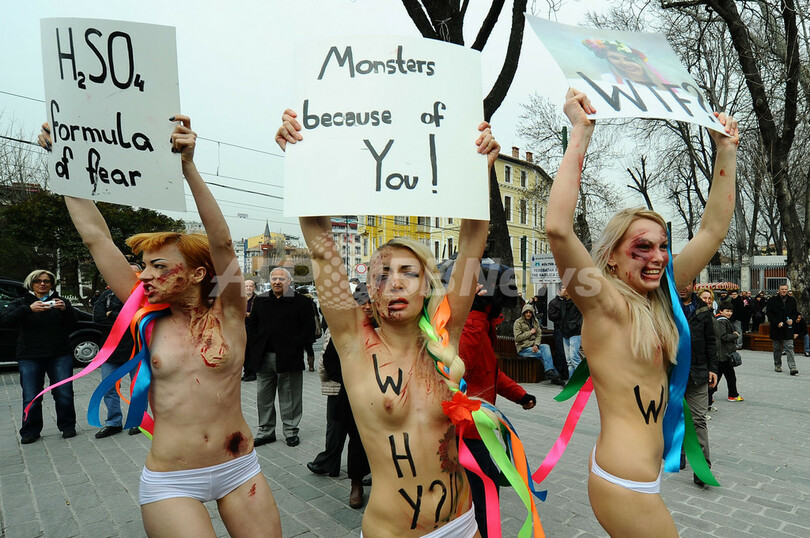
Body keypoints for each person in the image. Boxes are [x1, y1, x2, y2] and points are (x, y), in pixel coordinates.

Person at [37, 117, 281, 536]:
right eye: (143, 266)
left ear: (199, 274)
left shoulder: (230, 313)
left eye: (158, 266)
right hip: (172, 480)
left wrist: (188, 167)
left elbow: (222, 244)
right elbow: (97, 238)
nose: (144, 275)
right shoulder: (146, 316)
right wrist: (66, 165)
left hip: (239, 468)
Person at [277, 107, 499, 536]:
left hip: (463, 523)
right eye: (382, 275)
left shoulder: (445, 334)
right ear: (369, 290)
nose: (394, 283)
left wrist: (479, 173)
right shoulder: (353, 343)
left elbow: (473, 240)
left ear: (427, 285)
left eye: (408, 273)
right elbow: (322, 246)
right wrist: (302, 161)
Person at [546, 88, 738, 536]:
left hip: (644, 478)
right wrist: (580, 132)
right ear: (612, 258)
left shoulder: (661, 294)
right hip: (623, 484)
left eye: (662, 246)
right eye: (642, 247)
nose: (657, 257)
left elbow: (712, 229)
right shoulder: (604, 304)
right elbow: (557, 229)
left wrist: (726, 151)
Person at [455, 261, 536, 537]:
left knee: (482, 485)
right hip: (464, 429)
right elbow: (459, 367)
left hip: (479, 426)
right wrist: (477, 314)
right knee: (485, 487)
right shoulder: (470, 325)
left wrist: (520, 395)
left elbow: (490, 372)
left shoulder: (483, 324)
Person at [307, 282, 371, 510]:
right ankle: (354, 482)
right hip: (349, 393)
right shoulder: (344, 329)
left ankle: (366, 479)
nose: (367, 307)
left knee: (369, 440)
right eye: (363, 303)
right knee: (347, 434)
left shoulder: (386, 329)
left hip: (380, 395)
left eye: (371, 303)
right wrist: (353, 381)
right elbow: (330, 362)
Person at [0, 269, 77, 444]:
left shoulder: (60, 301)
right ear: (31, 283)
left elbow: (74, 324)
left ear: (51, 284)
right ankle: (30, 431)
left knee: (64, 392)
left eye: (46, 281)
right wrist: (28, 309)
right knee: (31, 395)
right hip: (30, 355)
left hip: (59, 354)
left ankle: (67, 426)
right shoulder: (22, 302)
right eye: (38, 281)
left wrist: (65, 310)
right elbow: (4, 319)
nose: (42, 284)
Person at [246, 267, 315, 447]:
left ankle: (290, 431)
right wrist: (255, 344)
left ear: (289, 281)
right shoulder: (261, 300)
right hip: (264, 357)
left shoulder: (301, 301)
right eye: (274, 278)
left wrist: (295, 344)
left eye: (281, 279)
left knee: (290, 396)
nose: (277, 282)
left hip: (289, 357)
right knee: (263, 397)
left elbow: (309, 328)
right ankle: (266, 432)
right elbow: (252, 325)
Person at [92, 262, 143, 438]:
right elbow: (98, 318)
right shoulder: (107, 296)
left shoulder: (144, 295)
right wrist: (125, 317)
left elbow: (141, 318)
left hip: (136, 349)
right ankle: (113, 423)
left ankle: (138, 421)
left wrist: (111, 314)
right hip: (110, 351)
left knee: (138, 388)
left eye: (134, 274)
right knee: (108, 387)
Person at [678, 281, 718, 488]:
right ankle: (679, 453)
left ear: (694, 284)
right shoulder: (667, 305)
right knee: (676, 416)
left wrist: (713, 368)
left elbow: (711, 341)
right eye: (680, 282)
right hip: (673, 373)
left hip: (698, 372)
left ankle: (702, 467)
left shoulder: (703, 309)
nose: (683, 287)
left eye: (687, 283)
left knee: (698, 420)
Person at [513, 304, 565, 385]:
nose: (528, 314)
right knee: (541, 354)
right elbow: (517, 337)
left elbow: (539, 335)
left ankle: (549, 371)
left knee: (546, 347)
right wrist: (530, 332)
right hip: (523, 348)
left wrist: (536, 345)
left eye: (530, 312)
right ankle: (555, 376)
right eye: (526, 312)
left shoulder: (535, 321)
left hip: (534, 345)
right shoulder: (518, 322)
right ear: (523, 313)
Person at [547, 286, 584, 378]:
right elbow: (556, 315)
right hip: (565, 332)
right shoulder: (562, 302)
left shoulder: (576, 302)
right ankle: (571, 381)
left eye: (566, 287)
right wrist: (559, 297)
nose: (564, 289)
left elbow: (581, 315)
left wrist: (576, 326)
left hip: (575, 332)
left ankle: (581, 380)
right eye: (563, 288)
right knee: (569, 361)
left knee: (574, 357)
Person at [711, 302, 743, 404]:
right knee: (730, 377)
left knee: (719, 375)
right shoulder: (722, 321)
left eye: (731, 311)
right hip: (724, 354)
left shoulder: (718, 319)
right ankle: (733, 395)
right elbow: (723, 336)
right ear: (721, 311)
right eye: (727, 311)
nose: (729, 313)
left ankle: (708, 395)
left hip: (722, 354)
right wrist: (735, 335)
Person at [767, 284, 799, 375]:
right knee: (777, 348)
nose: (784, 291)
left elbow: (795, 313)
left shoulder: (792, 300)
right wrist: (777, 322)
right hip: (776, 328)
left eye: (785, 289)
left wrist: (792, 319)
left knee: (789, 347)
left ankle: (792, 367)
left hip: (788, 328)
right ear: (779, 290)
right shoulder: (772, 300)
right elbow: (769, 313)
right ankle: (777, 365)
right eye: (782, 289)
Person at [241, 279, 258, 382]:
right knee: (244, 351)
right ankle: (246, 372)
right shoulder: (240, 299)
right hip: (242, 328)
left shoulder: (258, 300)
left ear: (254, 288)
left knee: (251, 351)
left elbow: (260, 314)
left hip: (253, 329)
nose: (248, 288)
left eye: (250, 286)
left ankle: (252, 373)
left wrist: (249, 315)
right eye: (246, 286)